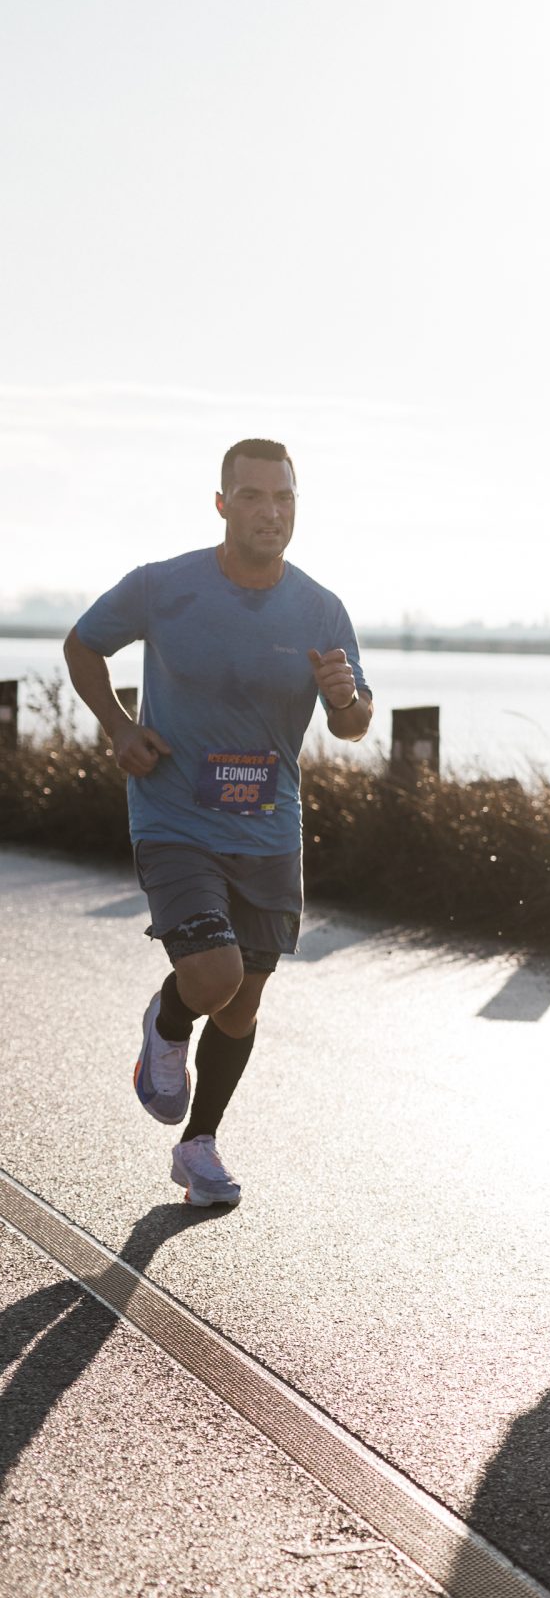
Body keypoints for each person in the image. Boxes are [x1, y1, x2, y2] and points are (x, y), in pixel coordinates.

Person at [64, 438, 373, 1207]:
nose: (271, 512)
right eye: (255, 496)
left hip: (270, 827)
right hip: (175, 815)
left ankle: (198, 1145)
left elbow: (356, 723)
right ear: (223, 502)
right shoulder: (163, 586)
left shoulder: (320, 607)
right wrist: (117, 725)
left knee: (241, 1002)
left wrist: (343, 696)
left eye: (285, 498)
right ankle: (167, 1024)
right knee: (212, 976)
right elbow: (82, 645)